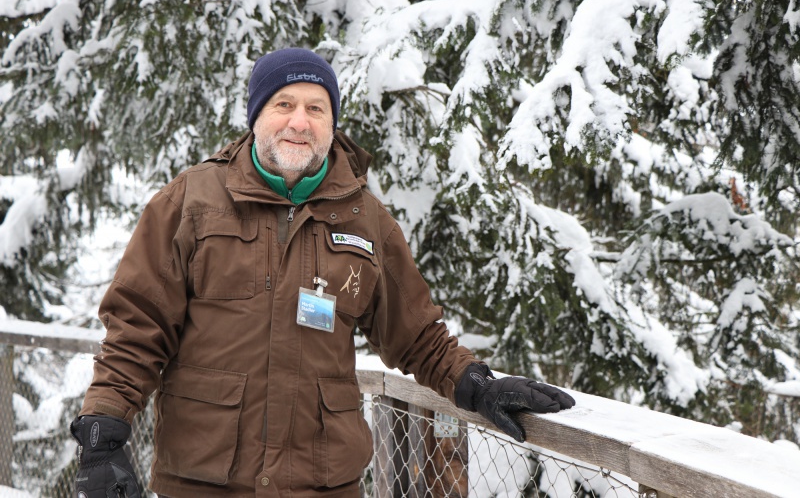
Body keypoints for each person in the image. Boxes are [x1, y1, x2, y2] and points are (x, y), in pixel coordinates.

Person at [70, 47, 575, 498]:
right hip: (204, 482)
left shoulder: (366, 219)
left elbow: (417, 334)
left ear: (332, 123)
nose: (299, 121)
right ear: (257, 116)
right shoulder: (192, 201)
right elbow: (138, 327)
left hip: (320, 484)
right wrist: (103, 429)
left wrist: (477, 385)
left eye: (316, 108)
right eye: (284, 104)